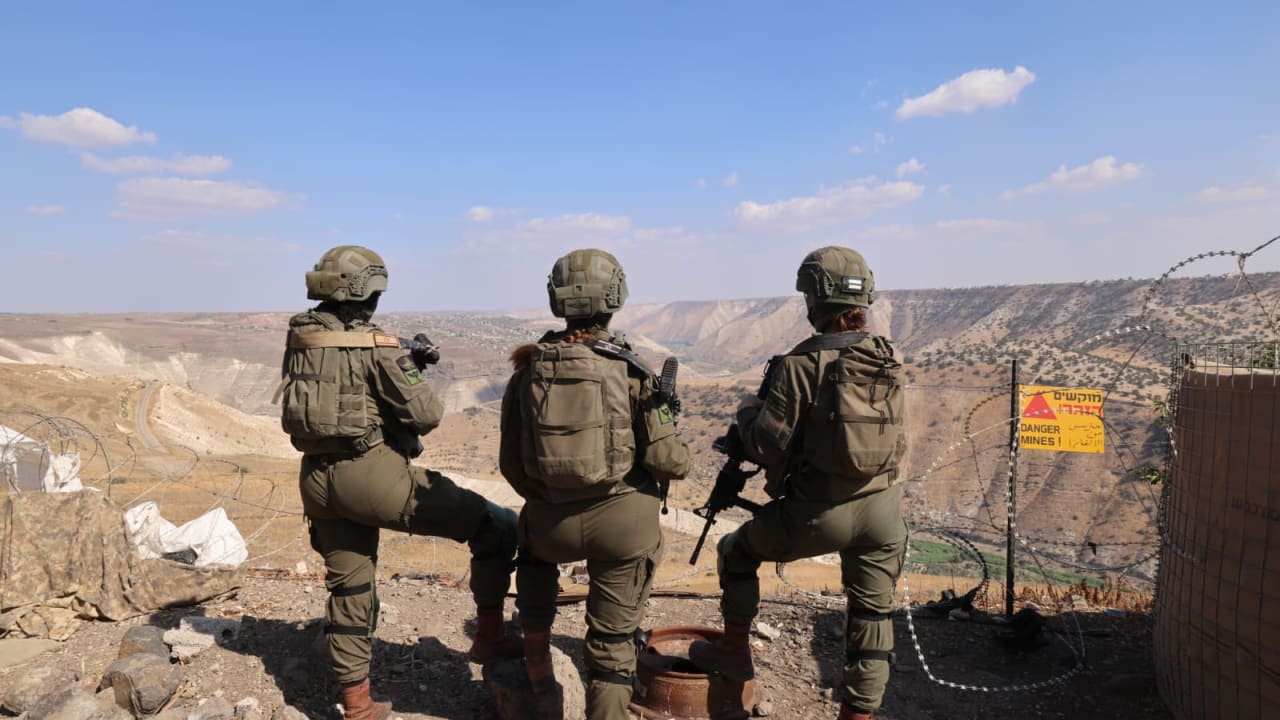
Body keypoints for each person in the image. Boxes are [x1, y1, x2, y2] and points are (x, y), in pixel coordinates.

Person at [278, 245, 519, 720]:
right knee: (497, 524)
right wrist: (407, 366)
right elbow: (426, 414)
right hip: (372, 477)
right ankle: (490, 639)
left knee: (349, 588)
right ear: (369, 290)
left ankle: (357, 705)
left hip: (317, 481)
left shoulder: (300, 335)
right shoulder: (376, 347)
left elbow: (341, 381)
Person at [692, 246, 908, 720]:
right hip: (884, 512)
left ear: (814, 299)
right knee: (872, 614)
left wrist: (747, 412)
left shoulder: (798, 365)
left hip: (817, 514)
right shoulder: (887, 357)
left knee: (737, 551)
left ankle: (733, 653)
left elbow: (767, 446)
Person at [499, 248, 691, 720]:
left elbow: (512, 467)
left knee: (534, 557)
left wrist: (550, 499)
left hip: (550, 527)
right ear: (616, 297)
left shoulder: (527, 372)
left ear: (556, 299)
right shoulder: (631, 370)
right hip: (624, 528)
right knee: (611, 647)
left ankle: (540, 675)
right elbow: (670, 462)